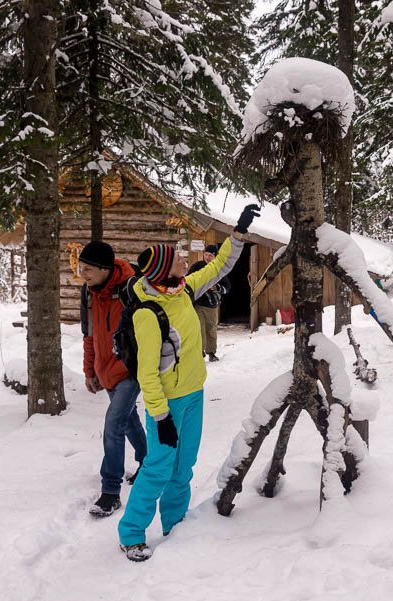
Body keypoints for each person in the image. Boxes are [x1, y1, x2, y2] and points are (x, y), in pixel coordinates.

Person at [117, 204, 260, 562]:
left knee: (183, 468)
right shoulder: (148, 313)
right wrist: (161, 417)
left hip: (194, 394)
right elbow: (148, 374)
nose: (185, 261)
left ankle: (176, 526)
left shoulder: (181, 290)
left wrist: (237, 234)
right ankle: (132, 533)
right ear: (164, 270)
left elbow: (218, 267)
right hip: (167, 404)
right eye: (178, 259)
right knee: (158, 468)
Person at [78, 241, 148, 518]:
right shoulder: (88, 292)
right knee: (128, 420)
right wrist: (89, 370)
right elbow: (89, 335)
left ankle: (110, 491)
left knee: (114, 424)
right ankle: (147, 460)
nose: (82, 274)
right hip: (105, 368)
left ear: (105, 269)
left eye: (87, 269)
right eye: (80, 268)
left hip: (130, 368)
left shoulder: (131, 287)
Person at [187, 244, 230, 362]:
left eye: (210, 255)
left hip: (212, 305)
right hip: (197, 304)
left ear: (215, 257)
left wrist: (217, 288)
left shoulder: (219, 269)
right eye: (205, 254)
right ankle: (199, 352)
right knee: (199, 328)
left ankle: (211, 352)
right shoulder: (197, 266)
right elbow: (187, 281)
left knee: (211, 329)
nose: (207, 257)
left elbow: (227, 287)